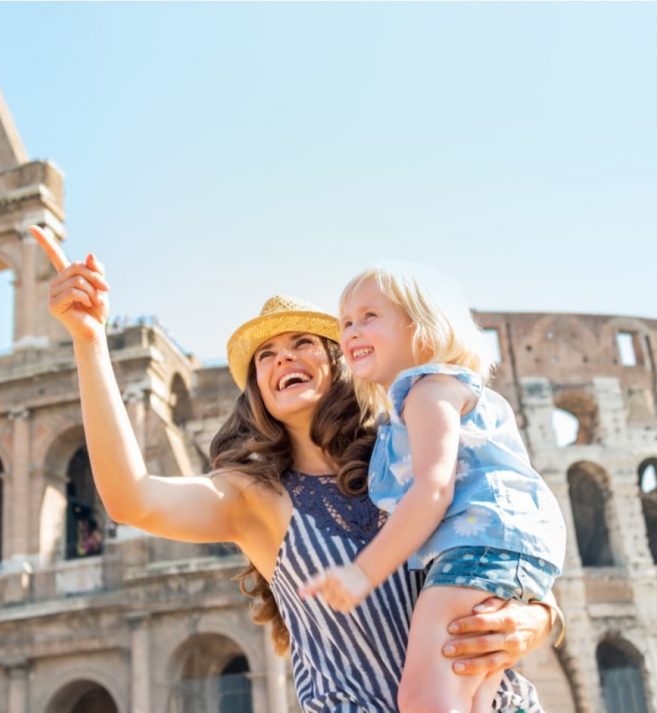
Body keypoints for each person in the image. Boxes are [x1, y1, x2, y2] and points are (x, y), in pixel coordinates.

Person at [28, 226, 562, 712]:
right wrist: (90, 341)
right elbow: (132, 499)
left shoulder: (405, 459)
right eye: (266, 356)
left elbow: (503, 545)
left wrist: (539, 621)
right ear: (258, 391)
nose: (283, 358)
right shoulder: (251, 497)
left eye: (303, 343)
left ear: (341, 362)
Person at [300, 267, 567, 713]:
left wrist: (362, 573)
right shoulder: (422, 401)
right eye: (346, 322)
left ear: (422, 329)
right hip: (497, 552)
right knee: (473, 695)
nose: (352, 331)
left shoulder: (427, 392)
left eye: (369, 316)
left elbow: (434, 488)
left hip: (476, 550)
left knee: (425, 699)